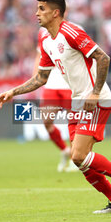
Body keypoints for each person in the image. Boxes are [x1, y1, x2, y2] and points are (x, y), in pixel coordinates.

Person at [0, 0, 111, 213]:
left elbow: (103, 57)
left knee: (78, 155)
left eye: (42, 9)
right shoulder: (46, 40)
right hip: (78, 101)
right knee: (79, 161)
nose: (36, 13)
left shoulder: (71, 32)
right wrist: (13, 92)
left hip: (95, 99)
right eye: (37, 8)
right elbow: (41, 78)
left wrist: (94, 93)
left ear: (56, 13)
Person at [34, 27, 77, 172]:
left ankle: (74, 158)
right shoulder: (43, 32)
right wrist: (36, 79)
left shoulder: (74, 30)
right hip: (51, 84)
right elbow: (39, 56)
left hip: (70, 84)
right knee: (46, 121)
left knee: (74, 122)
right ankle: (65, 150)